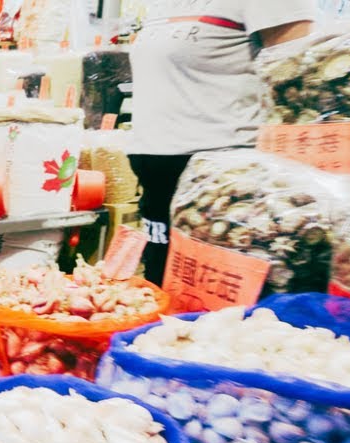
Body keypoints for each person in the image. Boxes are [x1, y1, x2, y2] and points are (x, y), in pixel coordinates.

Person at [128, 2, 314, 285]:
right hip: (157, 171)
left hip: (219, 180)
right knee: (160, 288)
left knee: (214, 305)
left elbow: (299, 80)